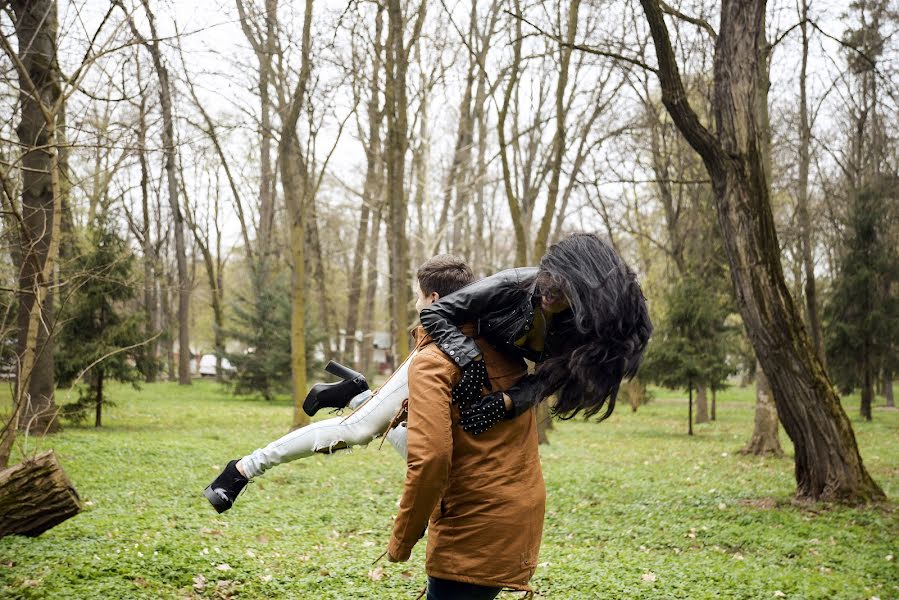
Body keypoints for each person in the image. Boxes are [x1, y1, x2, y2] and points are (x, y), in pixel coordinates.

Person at [204, 234, 651, 512]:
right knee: (359, 433)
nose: (549, 295)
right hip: (445, 349)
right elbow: (435, 317)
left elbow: (553, 375)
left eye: (562, 293)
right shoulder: (514, 282)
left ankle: (356, 392)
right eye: (548, 286)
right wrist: (468, 358)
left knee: (441, 455)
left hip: (490, 370)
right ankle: (241, 470)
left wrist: (510, 401)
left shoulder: (578, 325)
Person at [204, 255, 477, 513]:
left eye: (418, 296)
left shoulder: (439, 352)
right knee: (375, 428)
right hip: (462, 488)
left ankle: (357, 395)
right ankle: (240, 469)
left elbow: (364, 431)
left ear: (433, 298)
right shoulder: (476, 341)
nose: (416, 304)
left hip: (462, 487)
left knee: (368, 428)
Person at [387, 309, 543, 599]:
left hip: (470, 529)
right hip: (518, 517)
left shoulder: (432, 362)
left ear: (433, 299)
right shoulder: (508, 351)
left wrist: (402, 540)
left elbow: (431, 459)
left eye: (419, 297)